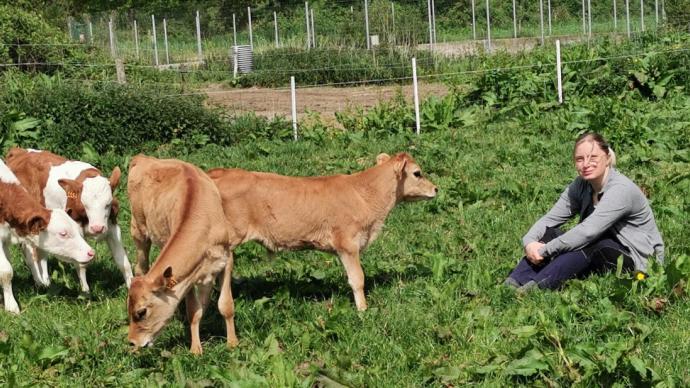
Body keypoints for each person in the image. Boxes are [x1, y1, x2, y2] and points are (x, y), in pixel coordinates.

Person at [505, 132, 665, 291]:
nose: (586, 164)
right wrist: (529, 243)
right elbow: (550, 219)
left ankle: (534, 290)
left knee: (587, 242)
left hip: (638, 267)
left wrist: (544, 250)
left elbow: (588, 233)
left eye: (593, 157)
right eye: (580, 159)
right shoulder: (581, 185)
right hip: (600, 252)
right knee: (549, 233)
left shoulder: (620, 190)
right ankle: (512, 283)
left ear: (608, 158)